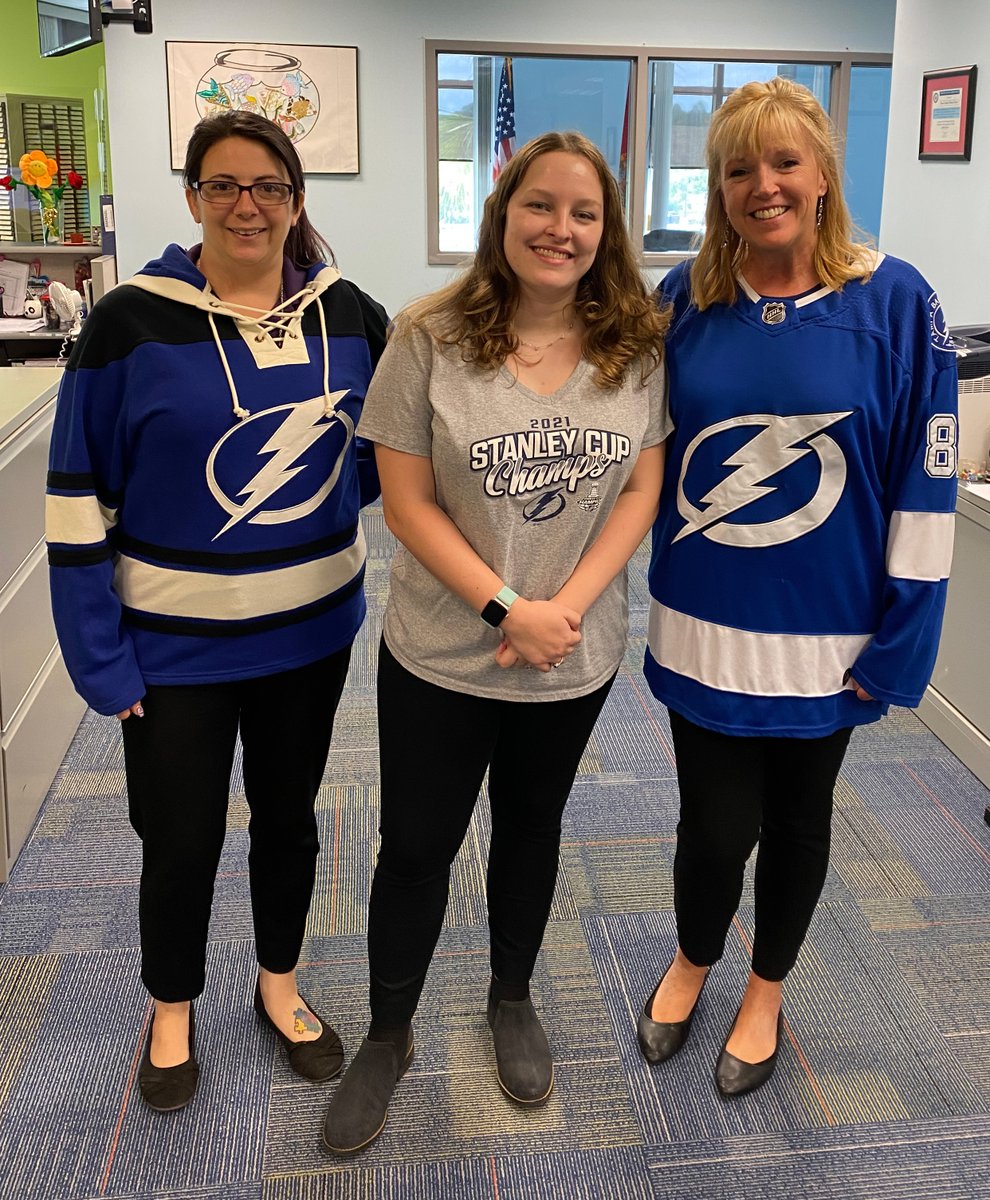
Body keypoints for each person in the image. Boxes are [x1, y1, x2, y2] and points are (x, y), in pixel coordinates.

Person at [321, 131, 671, 1154]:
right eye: (541, 206)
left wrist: (564, 609)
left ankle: (511, 997)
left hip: (572, 652)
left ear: (606, 232)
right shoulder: (428, 334)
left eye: (584, 213)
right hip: (441, 651)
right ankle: (389, 1035)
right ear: (503, 213)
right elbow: (405, 501)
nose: (560, 229)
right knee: (419, 845)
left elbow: (644, 485)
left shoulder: (634, 346)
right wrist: (505, 609)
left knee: (531, 826)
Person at [45, 110, 388, 1112]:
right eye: (224, 186)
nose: (247, 205)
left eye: (268, 187)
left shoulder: (352, 314)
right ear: (193, 198)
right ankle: (171, 1006)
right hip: (170, 651)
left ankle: (278, 987)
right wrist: (101, 663)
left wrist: (316, 522)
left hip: (310, 637)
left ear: (295, 201)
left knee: (289, 824)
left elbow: (377, 457)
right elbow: (76, 500)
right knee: (181, 836)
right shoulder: (129, 323)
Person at [638, 77, 958, 1098]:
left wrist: (905, 638)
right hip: (703, 629)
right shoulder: (684, 298)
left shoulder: (896, 302)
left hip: (828, 638)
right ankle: (693, 959)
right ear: (718, 188)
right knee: (711, 824)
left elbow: (925, 479)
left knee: (798, 820)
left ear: (822, 175)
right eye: (738, 168)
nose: (762, 185)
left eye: (783, 163)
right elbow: (635, 453)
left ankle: (767, 986)